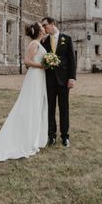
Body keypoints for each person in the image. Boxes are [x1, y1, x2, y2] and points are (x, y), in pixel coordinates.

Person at [0, 22, 48, 161]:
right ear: (40, 32)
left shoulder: (38, 43)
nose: (44, 28)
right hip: (35, 76)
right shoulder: (34, 44)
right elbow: (27, 61)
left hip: (40, 77)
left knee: (36, 106)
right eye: (42, 27)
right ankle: (22, 139)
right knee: (29, 105)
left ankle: (33, 137)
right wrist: (43, 65)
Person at [40, 17, 76, 147]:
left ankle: (65, 136)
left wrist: (72, 78)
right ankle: (51, 136)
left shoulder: (66, 39)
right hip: (49, 80)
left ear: (53, 24)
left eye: (45, 25)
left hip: (64, 80)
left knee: (64, 108)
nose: (44, 28)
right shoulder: (44, 41)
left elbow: (72, 59)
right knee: (50, 108)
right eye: (43, 27)